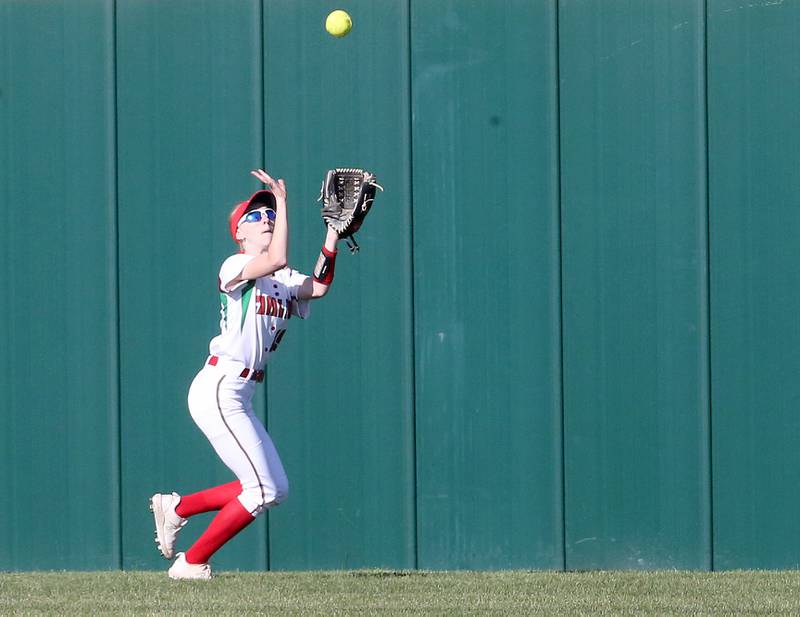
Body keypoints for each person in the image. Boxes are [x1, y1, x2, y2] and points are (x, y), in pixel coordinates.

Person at [150, 168, 340, 580]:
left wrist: (333, 235)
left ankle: (177, 508)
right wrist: (285, 202)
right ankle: (192, 563)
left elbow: (319, 287)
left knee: (273, 486)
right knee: (263, 488)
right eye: (256, 216)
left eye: (269, 213)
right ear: (239, 234)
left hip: (240, 394)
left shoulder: (282, 281)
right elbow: (277, 258)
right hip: (219, 387)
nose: (267, 218)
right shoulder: (235, 265)